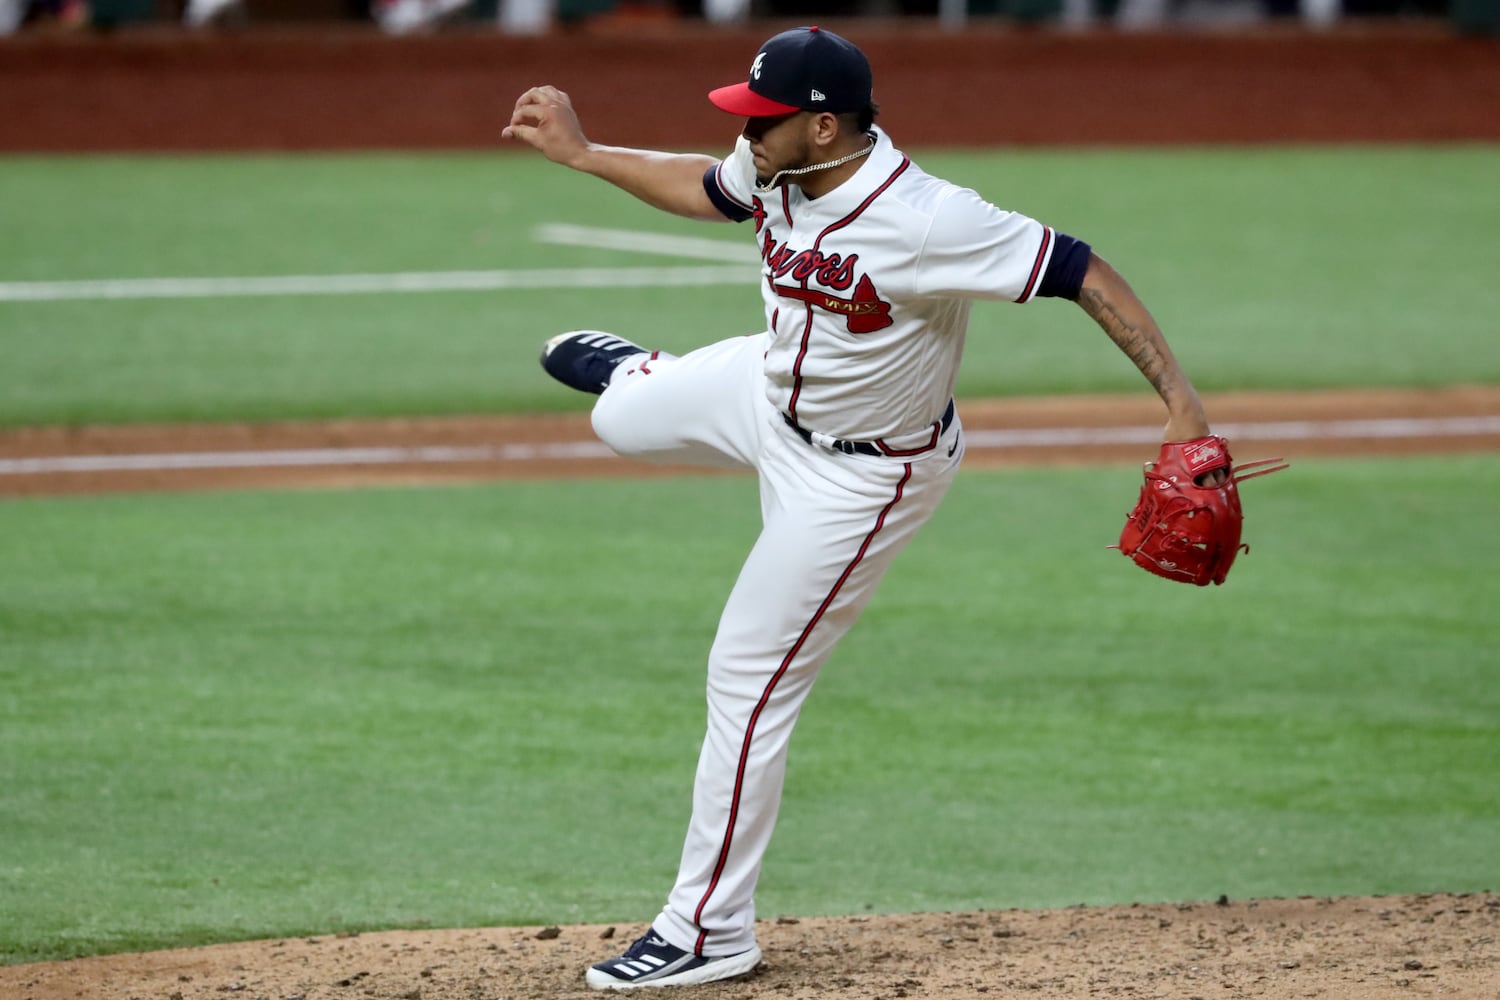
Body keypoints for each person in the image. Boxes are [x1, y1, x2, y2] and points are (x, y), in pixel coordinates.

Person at [503, 25, 1220, 991]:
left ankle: (709, 931)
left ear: (824, 125)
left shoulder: (930, 219)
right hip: (769, 392)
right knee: (619, 421)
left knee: (747, 679)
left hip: (861, 478)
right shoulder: (780, 168)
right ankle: (640, 374)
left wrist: (1183, 409)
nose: (745, 133)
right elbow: (707, 189)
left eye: (762, 119)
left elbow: (1082, 272)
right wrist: (586, 155)